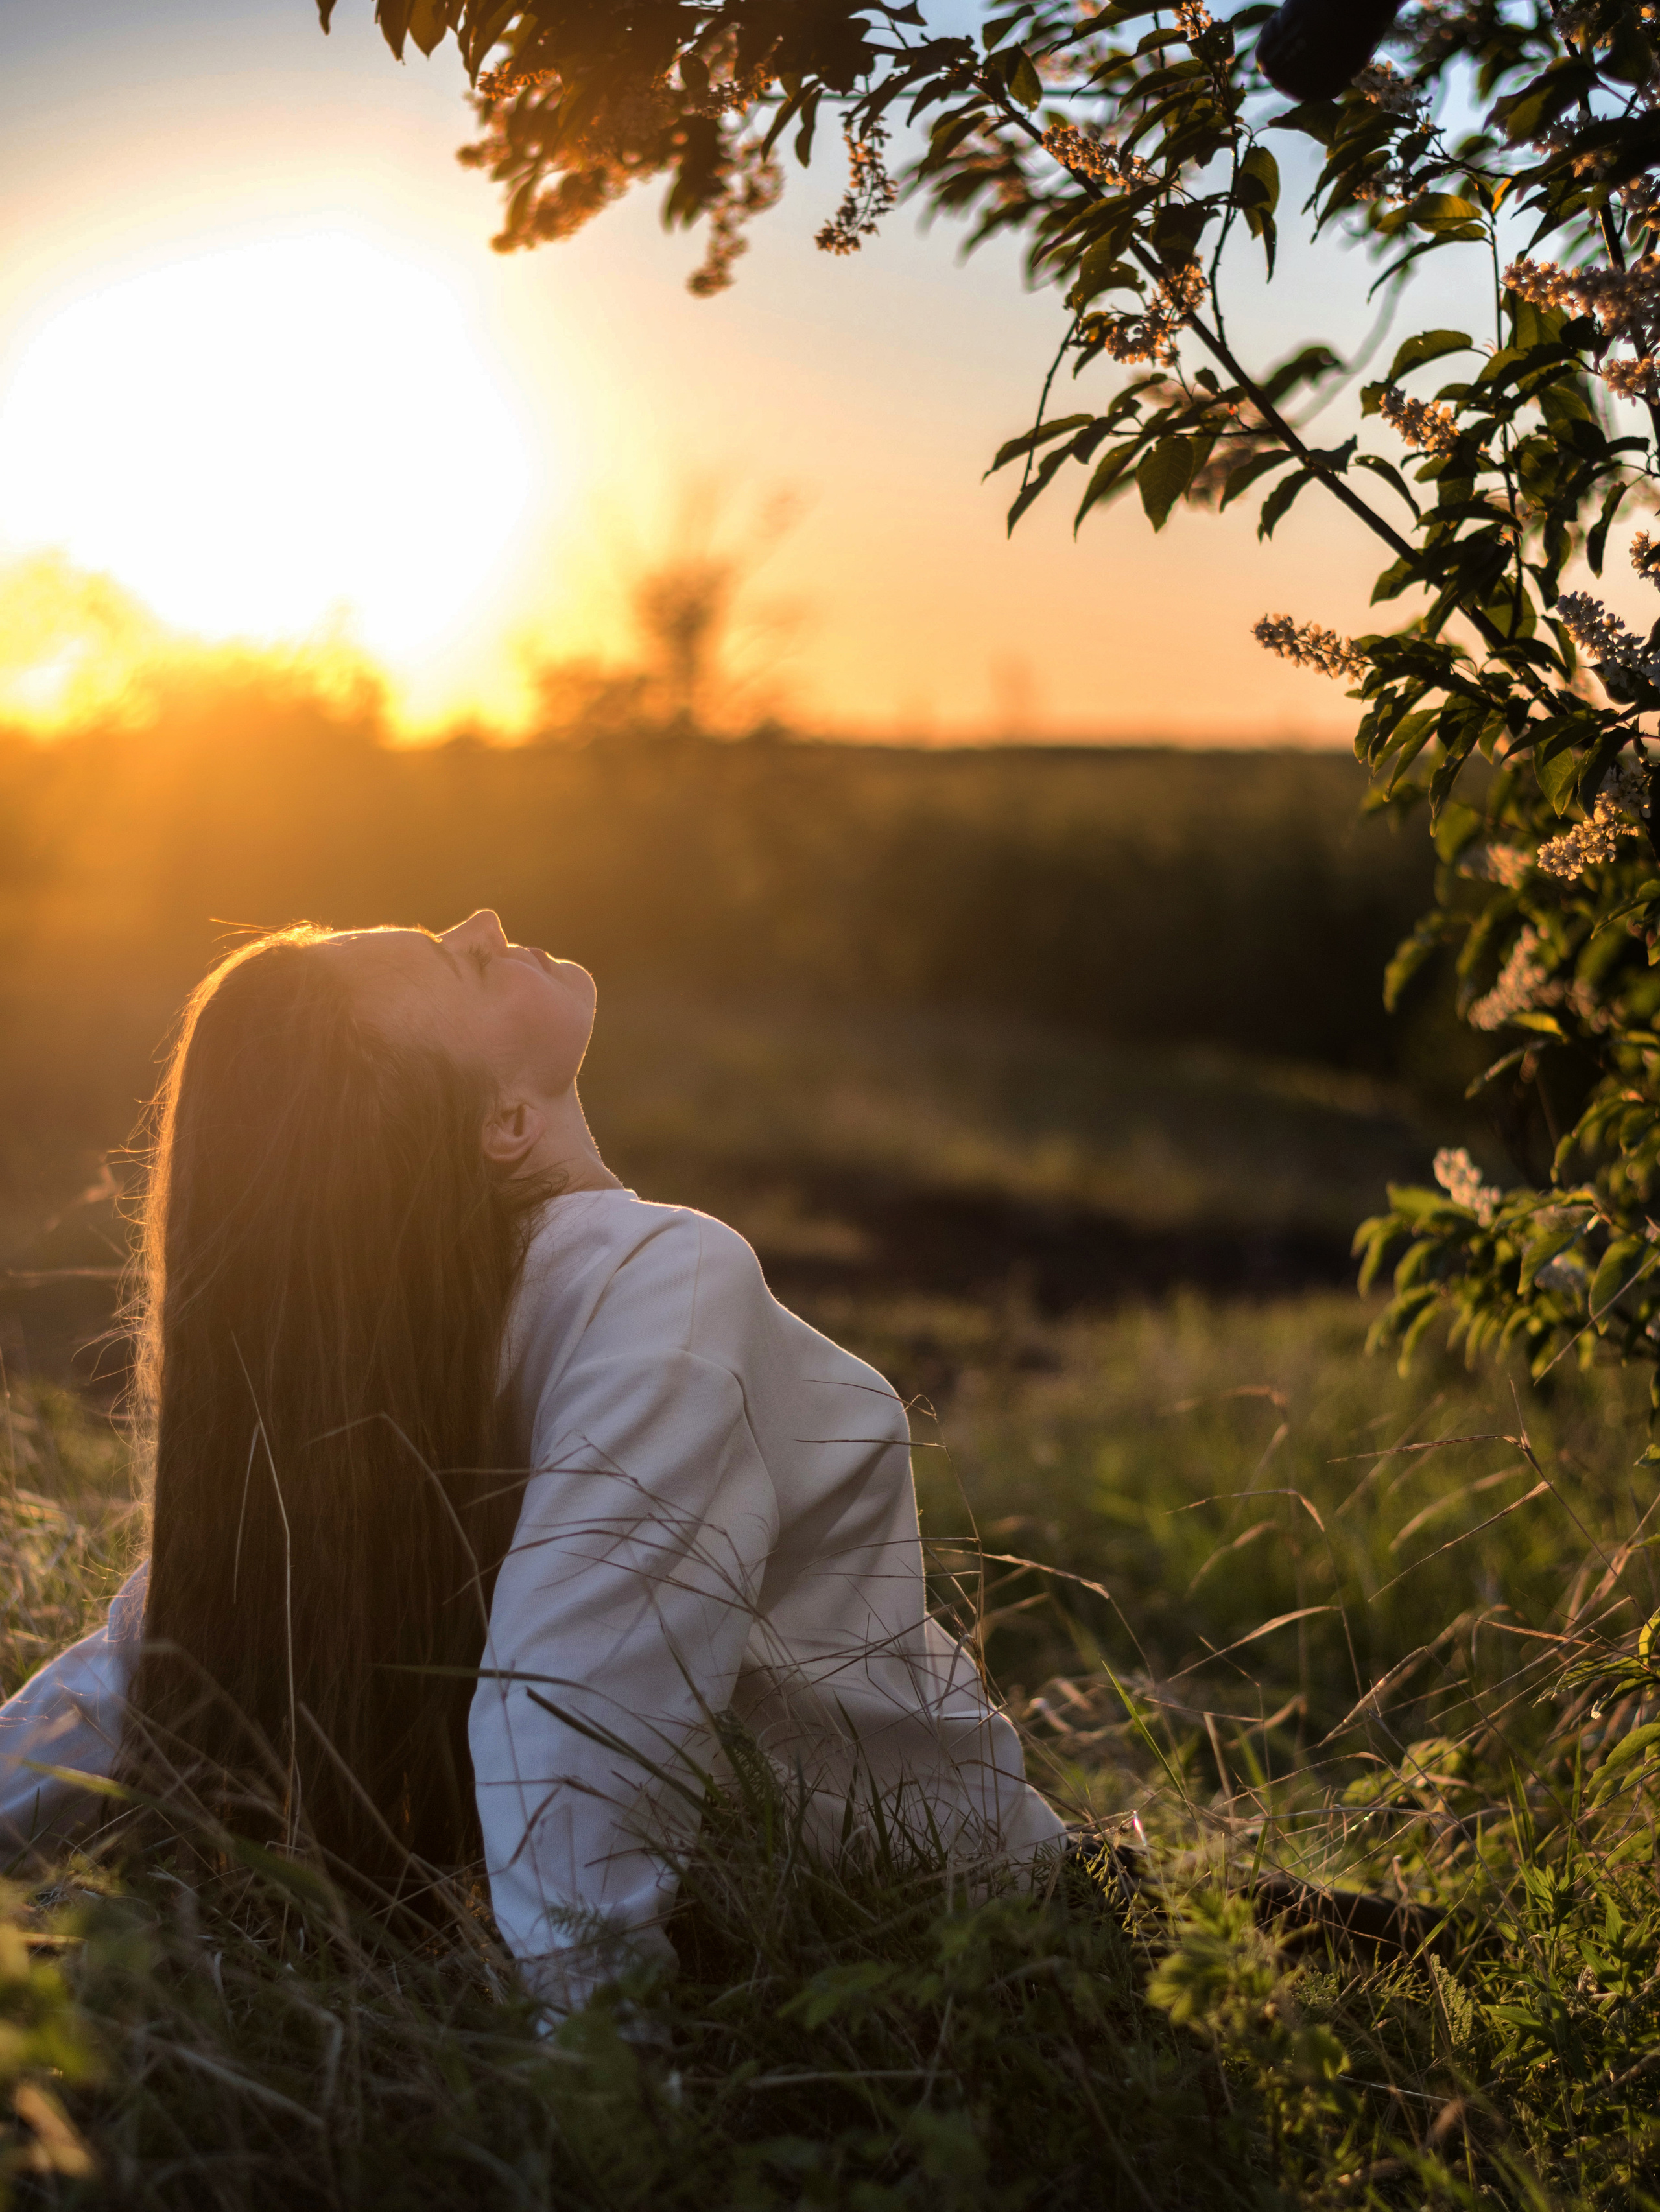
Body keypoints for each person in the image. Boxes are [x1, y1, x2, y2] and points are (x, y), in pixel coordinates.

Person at [0, 912, 1064, 2015]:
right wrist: (600, 2064)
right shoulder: (666, 1275)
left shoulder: (411, 1341)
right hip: (949, 1921)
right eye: (463, 964)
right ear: (506, 1123)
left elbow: (127, 1667)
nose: (485, 923)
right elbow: (575, 1679)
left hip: (748, 1929)